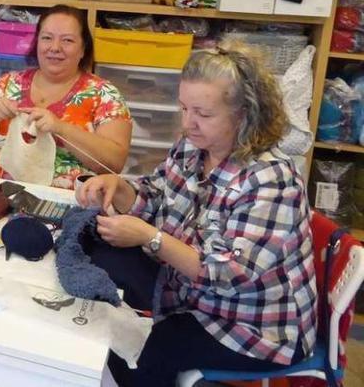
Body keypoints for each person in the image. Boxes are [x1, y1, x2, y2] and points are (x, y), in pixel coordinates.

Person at [75, 45, 317, 386]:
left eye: (203, 113)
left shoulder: (271, 179)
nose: (188, 123)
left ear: (244, 114)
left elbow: (228, 274)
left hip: (255, 327)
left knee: (143, 348)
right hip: (194, 294)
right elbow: (156, 194)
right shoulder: (193, 147)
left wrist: (150, 237)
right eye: (184, 108)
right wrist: (119, 187)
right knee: (101, 267)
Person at [0, 4, 131, 188]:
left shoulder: (104, 95)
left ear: (83, 49)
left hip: (66, 206)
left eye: (67, 40)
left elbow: (114, 164)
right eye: (47, 38)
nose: (55, 47)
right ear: (37, 44)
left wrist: (60, 128)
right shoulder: (6, 84)